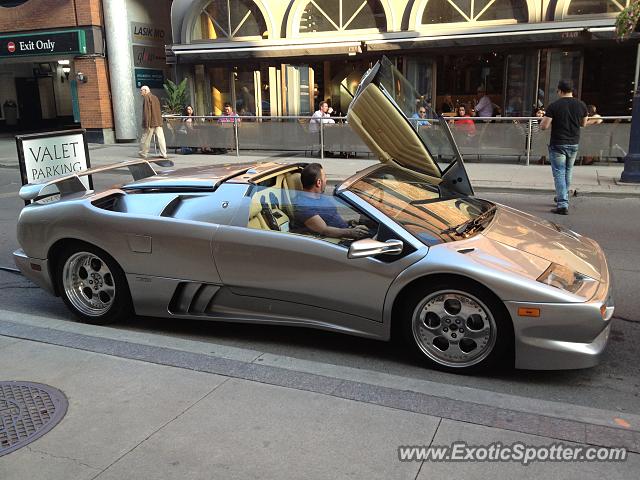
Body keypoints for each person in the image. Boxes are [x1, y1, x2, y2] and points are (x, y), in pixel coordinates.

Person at [540, 80, 588, 215]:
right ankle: (563, 196)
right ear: (572, 91)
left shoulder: (554, 106)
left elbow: (544, 126)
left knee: (559, 173)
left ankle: (562, 204)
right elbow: (583, 123)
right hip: (573, 142)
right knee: (568, 171)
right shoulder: (581, 105)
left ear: (560, 91)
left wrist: (542, 121)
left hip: (558, 143)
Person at [294, 163, 369, 239]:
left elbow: (331, 218)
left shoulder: (319, 197)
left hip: (346, 232)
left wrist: (349, 222)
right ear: (318, 182)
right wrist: (351, 232)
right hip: (338, 241)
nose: (326, 180)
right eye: (325, 177)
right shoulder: (303, 207)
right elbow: (324, 230)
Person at [139, 85, 167, 159]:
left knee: (146, 138)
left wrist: (146, 124)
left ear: (145, 90)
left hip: (151, 122)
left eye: (141, 90)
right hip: (158, 121)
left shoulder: (146, 98)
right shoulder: (155, 97)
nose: (140, 92)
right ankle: (163, 153)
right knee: (161, 138)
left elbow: (146, 112)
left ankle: (143, 153)